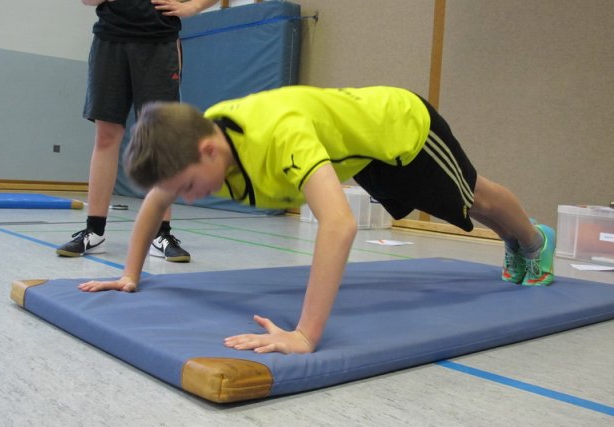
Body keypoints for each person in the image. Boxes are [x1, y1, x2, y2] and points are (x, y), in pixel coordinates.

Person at [78, 85, 556, 355]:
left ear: (207, 151)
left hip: (402, 129)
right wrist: (129, 275)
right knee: (463, 209)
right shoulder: (198, 143)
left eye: (185, 186)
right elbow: (155, 201)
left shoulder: (280, 135)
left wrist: (304, 334)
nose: (182, 198)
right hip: (363, 153)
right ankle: (515, 244)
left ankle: (534, 241)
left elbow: (339, 225)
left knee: (473, 198)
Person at [57, 0, 218, 262]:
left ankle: (160, 233)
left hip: (159, 41)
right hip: (110, 40)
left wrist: (194, 6)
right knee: (106, 136)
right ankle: (94, 231)